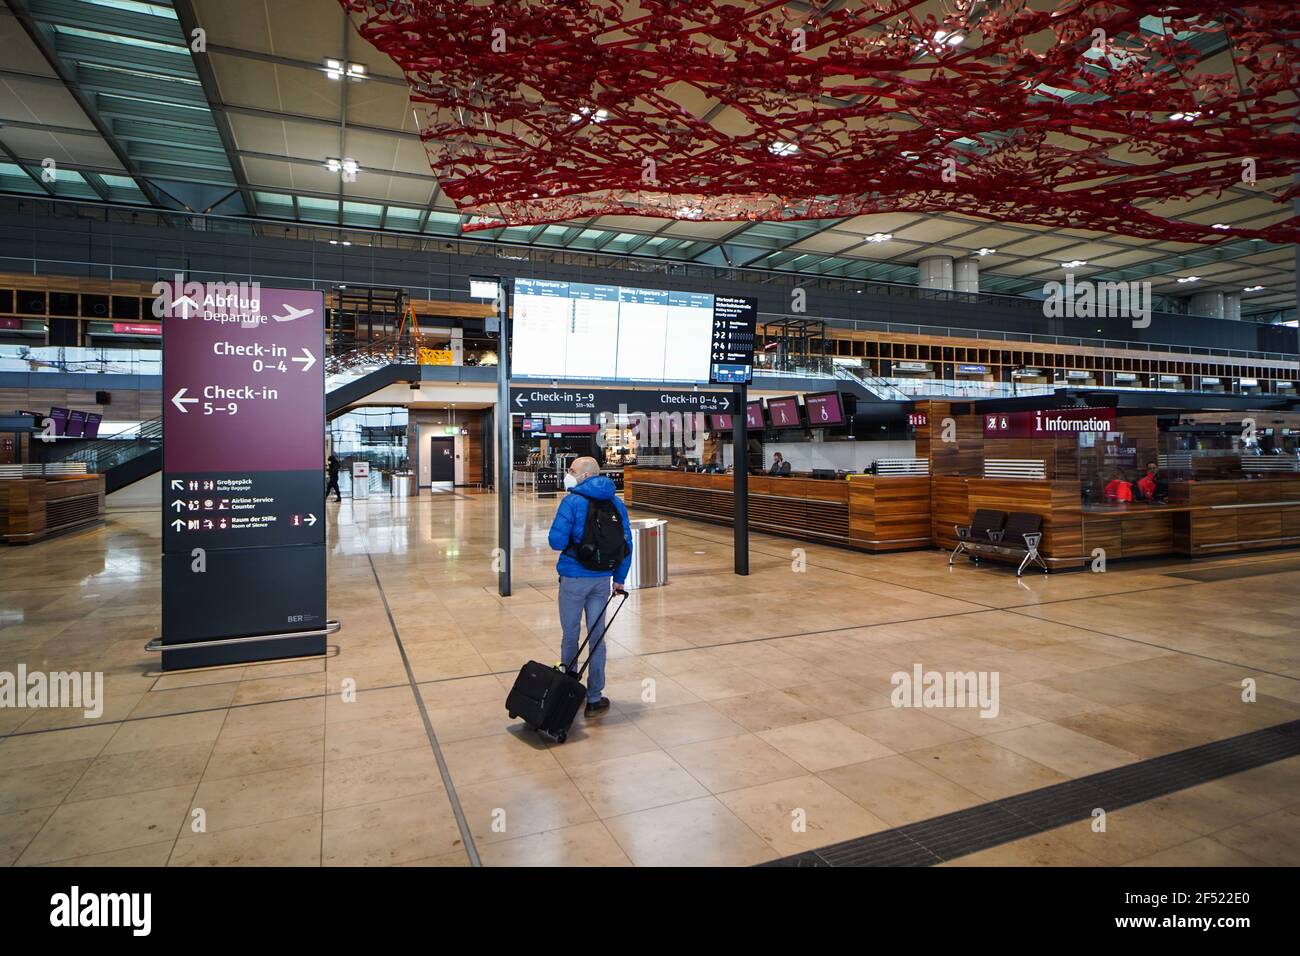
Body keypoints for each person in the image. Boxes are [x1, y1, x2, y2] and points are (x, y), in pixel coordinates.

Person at [547, 456, 633, 718]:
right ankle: (594, 697)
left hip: (574, 578)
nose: (568, 474)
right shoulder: (616, 502)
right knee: (597, 638)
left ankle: (567, 693)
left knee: (570, 635)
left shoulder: (572, 501)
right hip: (602, 579)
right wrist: (619, 579)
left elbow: (556, 541)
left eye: (571, 470)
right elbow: (625, 544)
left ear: (584, 475)